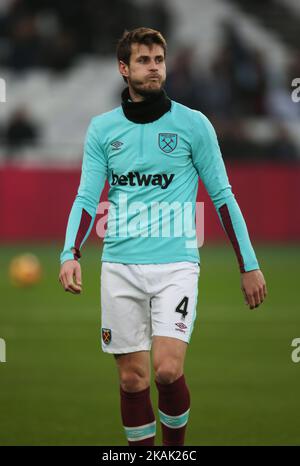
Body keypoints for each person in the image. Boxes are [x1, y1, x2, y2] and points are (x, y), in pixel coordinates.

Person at [59, 27, 267, 446]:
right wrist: (70, 253)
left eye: (158, 60)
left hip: (176, 266)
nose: (154, 68)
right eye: (143, 61)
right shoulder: (102, 130)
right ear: (124, 68)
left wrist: (250, 265)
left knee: (167, 370)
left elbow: (223, 198)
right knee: (133, 379)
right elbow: (86, 197)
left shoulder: (194, 125)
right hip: (120, 267)